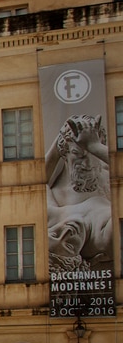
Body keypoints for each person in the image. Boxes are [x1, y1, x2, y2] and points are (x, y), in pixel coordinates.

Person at [45, 114, 112, 272]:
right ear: (65, 154)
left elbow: (33, 180)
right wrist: (94, 146)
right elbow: (31, 183)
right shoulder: (57, 198)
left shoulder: (109, 174)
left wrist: (63, 135)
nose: (87, 163)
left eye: (93, 154)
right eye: (78, 154)